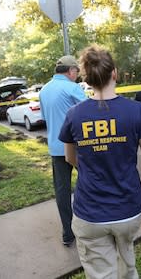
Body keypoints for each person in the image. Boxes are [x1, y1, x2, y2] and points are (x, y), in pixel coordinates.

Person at [58, 45, 141, 279]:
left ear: (86, 78)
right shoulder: (137, 111)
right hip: (129, 211)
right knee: (127, 261)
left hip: (90, 213)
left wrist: (90, 169)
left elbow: (70, 157)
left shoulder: (74, 114)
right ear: (114, 73)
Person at [39, 55, 87, 246]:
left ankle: (68, 233)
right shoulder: (72, 87)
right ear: (70, 71)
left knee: (62, 190)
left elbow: (45, 117)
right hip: (78, 147)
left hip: (56, 147)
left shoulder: (44, 90)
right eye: (77, 72)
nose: (78, 76)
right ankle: (95, 222)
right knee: (91, 181)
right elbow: (89, 112)